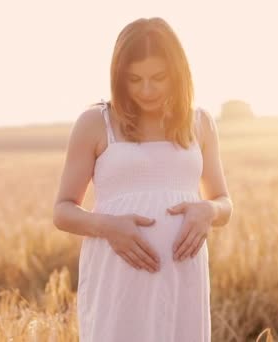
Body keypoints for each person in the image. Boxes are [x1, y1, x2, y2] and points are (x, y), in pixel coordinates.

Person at [52, 17, 233, 342]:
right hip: (119, 274)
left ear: (177, 74)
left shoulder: (201, 123)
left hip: (182, 276)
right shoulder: (95, 122)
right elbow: (63, 210)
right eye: (135, 79)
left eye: (158, 78)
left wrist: (209, 211)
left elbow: (223, 201)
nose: (147, 90)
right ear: (119, 77)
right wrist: (107, 226)